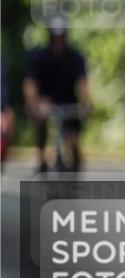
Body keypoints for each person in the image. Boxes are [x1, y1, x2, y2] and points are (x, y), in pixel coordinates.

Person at [23, 15, 90, 173]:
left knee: (73, 141)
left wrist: (85, 102)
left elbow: (83, 82)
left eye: (61, 36)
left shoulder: (75, 56)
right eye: (55, 37)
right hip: (45, 99)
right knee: (42, 121)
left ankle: (75, 164)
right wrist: (33, 101)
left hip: (69, 100)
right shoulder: (39, 56)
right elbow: (30, 82)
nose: (58, 40)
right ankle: (42, 158)